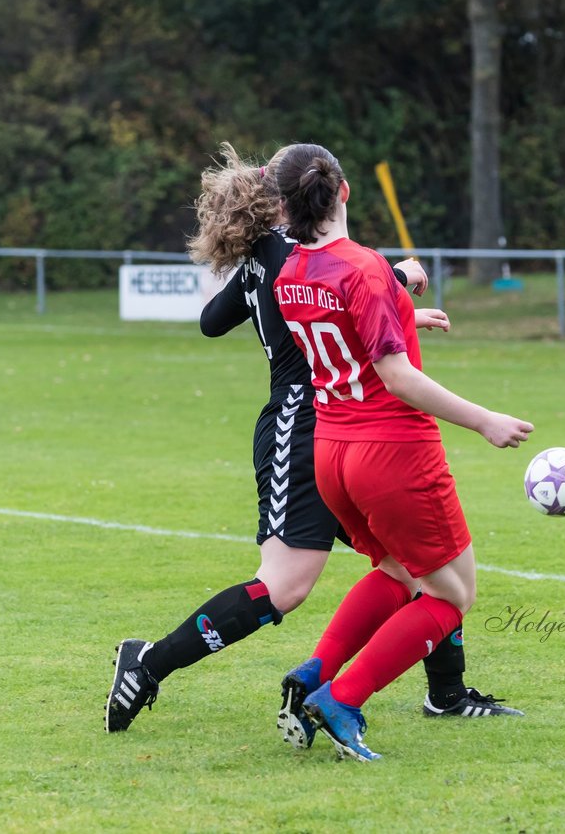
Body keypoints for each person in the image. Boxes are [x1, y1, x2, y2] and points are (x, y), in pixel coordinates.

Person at [106, 144, 518, 737]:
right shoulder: (287, 256)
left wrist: (396, 311)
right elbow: (324, 288)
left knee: (416, 563)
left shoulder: (271, 256)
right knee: (287, 586)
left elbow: (217, 320)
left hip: (332, 423)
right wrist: (397, 278)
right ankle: (150, 662)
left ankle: (445, 693)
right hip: (304, 429)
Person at [272, 143, 534, 762]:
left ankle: (312, 675)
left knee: (395, 571)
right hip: (391, 453)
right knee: (449, 596)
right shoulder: (364, 269)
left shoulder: (290, 273)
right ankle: (343, 699)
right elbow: (397, 378)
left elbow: (341, 332)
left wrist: (404, 315)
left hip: (331, 452)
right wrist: (484, 421)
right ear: (344, 191)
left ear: (286, 207)